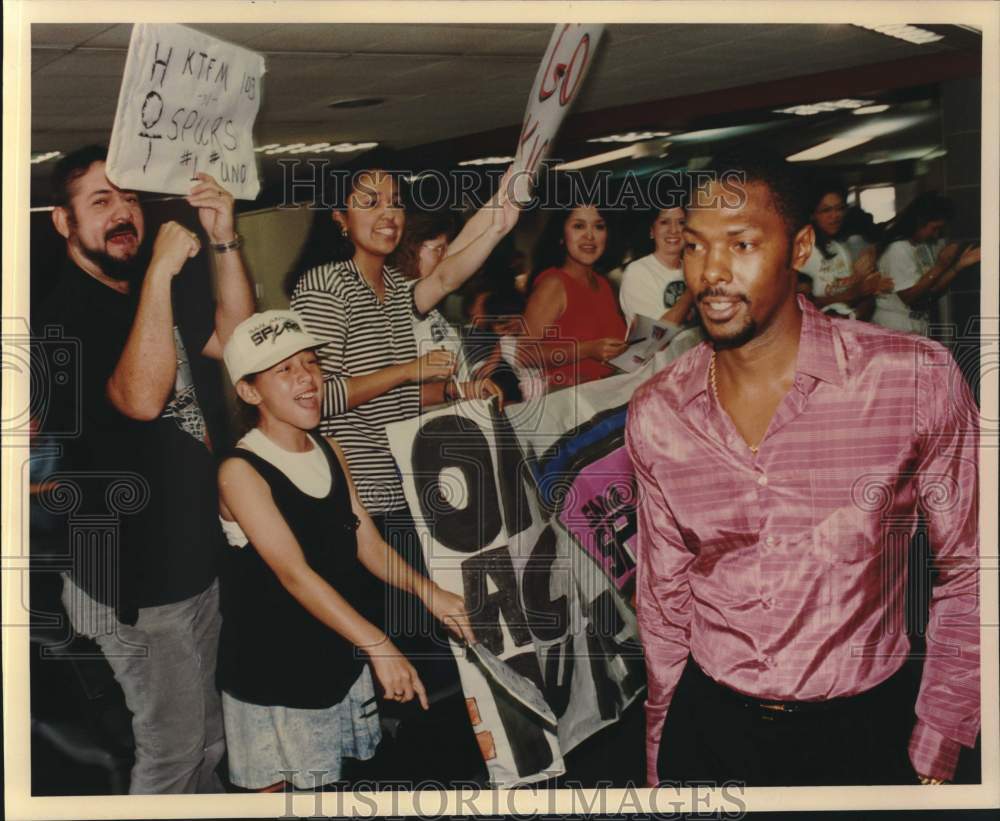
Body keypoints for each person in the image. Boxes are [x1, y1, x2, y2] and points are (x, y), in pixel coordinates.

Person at [626, 151, 979, 788]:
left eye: (741, 244)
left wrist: (938, 739)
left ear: (800, 247)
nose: (713, 272)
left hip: (865, 733)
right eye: (698, 246)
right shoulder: (659, 411)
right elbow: (662, 594)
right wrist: (659, 746)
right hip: (708, 730)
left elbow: (973, 567)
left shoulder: (912, 379)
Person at [36, 145, 255, 792]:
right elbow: (140, 398)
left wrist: (224, 240)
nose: (122, 213)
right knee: (172, 751)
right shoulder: (61, 319)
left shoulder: (144, 290)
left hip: (192, 565)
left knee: (211, 738)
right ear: (63, 222)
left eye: (129, 197)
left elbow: (240, 347)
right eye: (100, 202)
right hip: (131, 585)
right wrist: (160, 273)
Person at [287, 167, 517, 779]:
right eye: (369, 203)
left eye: (395, 202)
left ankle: (420, 767)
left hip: (397, 494)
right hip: (349, 505)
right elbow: (313, 398)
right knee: (383, 658)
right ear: (339, 217)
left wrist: (460, 390)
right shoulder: (324, 287)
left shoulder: (391, 287)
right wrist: (407, 372)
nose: (388, 214)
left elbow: (442, 281)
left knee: (421, 652)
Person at [215, 310, 475, 791]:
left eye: (310, 363)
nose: (306, 378)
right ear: (251, 392)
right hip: (273, 672)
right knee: (281, 793)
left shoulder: (330, 449)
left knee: (332, 783)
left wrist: (428, 592)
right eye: (284, 370)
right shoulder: (241, 470)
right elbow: (295, 574)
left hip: (335, 651)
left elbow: (368, 545)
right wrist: (377, 642)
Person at [523, 201, 628, 390]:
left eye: (599, 226)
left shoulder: (603, 283)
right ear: (561, 236)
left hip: (608, 393)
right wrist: (586, 350)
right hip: (567, 402)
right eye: (579, 226)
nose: (589, 236)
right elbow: (523, 354)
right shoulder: (553, 285)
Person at [871, 191, 981, 336]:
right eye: (934, 228)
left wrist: (958, 266)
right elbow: (910, 298)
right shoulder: (898, 249)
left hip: (917, 324)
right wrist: (940, 266)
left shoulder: (922, 246)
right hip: (896, 325)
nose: (936, 234)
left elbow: (931, 291)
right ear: (919, 222)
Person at [797, 179, 892, 321]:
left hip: (846, 328)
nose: (835, 216)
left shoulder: (838, 248)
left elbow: (855, 295)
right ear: (812, 214)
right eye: (826, 210)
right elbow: (799, 305)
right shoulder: (801, 251)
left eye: (840, 208)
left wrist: (866, 284)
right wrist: (856, 293)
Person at [390, 209, 465, 371]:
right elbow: (444, 279)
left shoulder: (427, 300)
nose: (444, 256)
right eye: (438, 249)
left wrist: (501, 205)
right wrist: (496, 230)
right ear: (413, 248)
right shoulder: (404, 295)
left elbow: (467, 240)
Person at [619, 205, 694, 327]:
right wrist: (691, 293)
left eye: (681, 222)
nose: (673, 230)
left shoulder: (693, 268)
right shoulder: (637, 272)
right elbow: (654, 335)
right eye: (664, 222)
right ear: (651, 231)